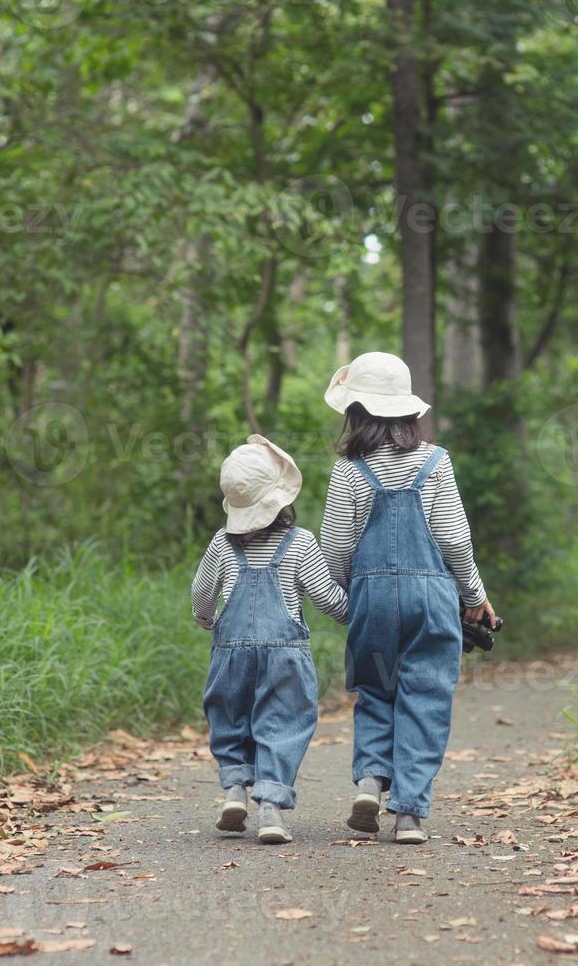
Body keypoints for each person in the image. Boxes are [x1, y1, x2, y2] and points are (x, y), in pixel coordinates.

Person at [320, 352, 497, 844]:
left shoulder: (349, 470)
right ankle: (409, 815)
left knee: (376, 690)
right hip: (432, 598)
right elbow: (455, 540)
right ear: (408, 411)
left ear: (356, 412)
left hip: (370, 597)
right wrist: (475, 596)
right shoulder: (435, 462)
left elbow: (335, 545)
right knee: (425, 697)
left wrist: (352, 598)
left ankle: (371, 783)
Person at [191, 435, 348, 844]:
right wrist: (355, 616)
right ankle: (271, 809)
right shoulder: (301, 543)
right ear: (281, 499)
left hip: (231, 654)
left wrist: (206, 618)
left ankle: (234, 793)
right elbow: (328, 597)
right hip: (285, 657)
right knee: (283, 724)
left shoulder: (221, 545)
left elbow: (202, 592)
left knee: (229, 718)